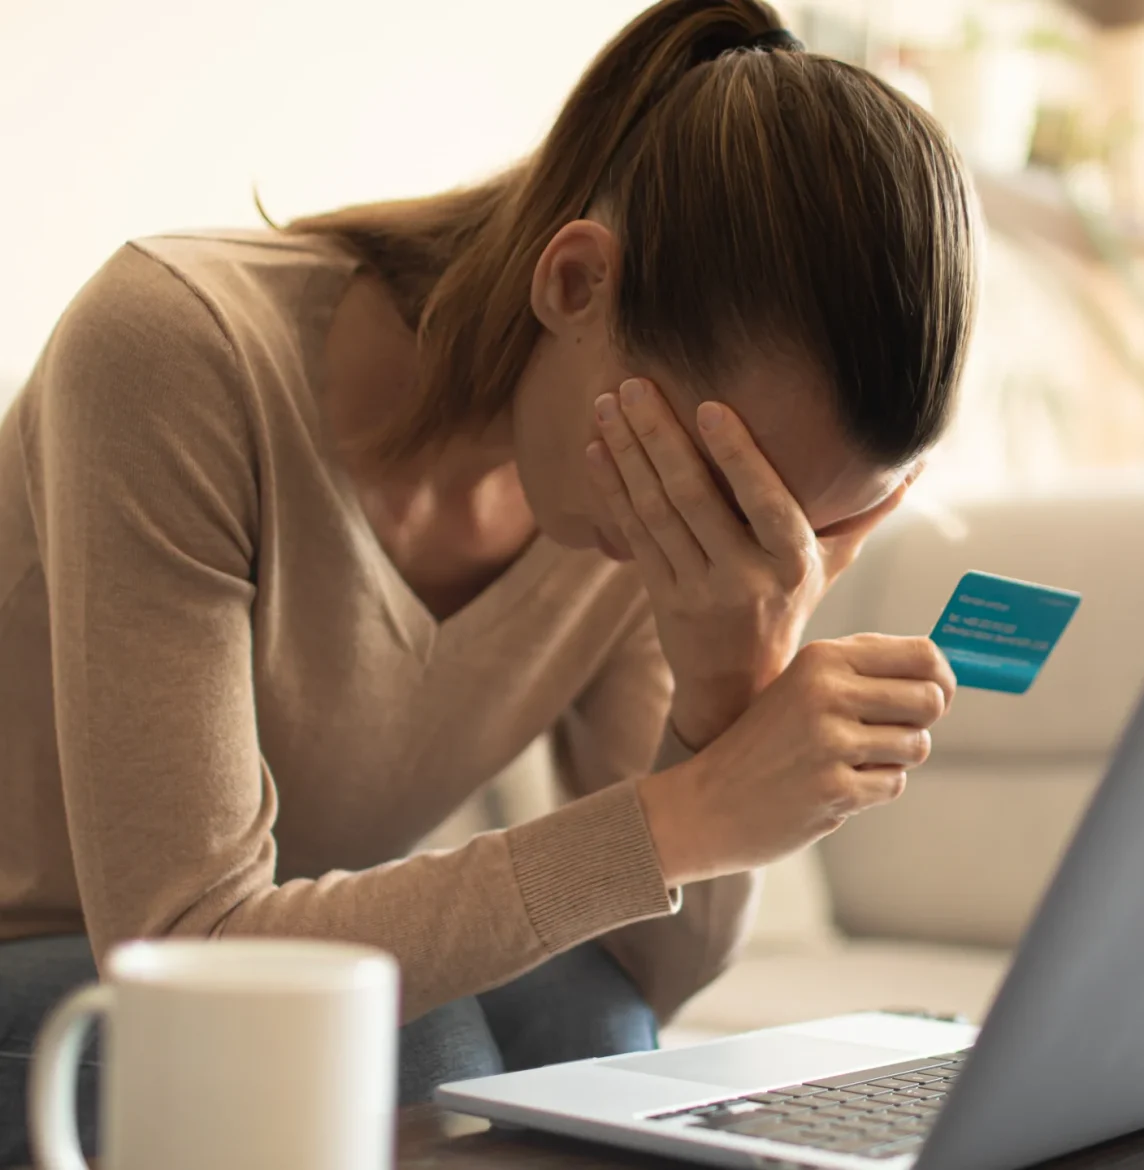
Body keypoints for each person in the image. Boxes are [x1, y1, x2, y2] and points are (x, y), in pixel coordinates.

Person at [0, 0, 976, 1160]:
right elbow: (193, 950)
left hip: (262, 979)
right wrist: (689, 811)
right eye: (732, 494)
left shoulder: (627, 491)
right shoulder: (177, 349)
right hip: (75, 975)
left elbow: (648, 979)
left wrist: (722, 697)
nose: (747, 557)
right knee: (418, 1050)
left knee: (591, 1019)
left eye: (804, 529)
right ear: (574, 285)